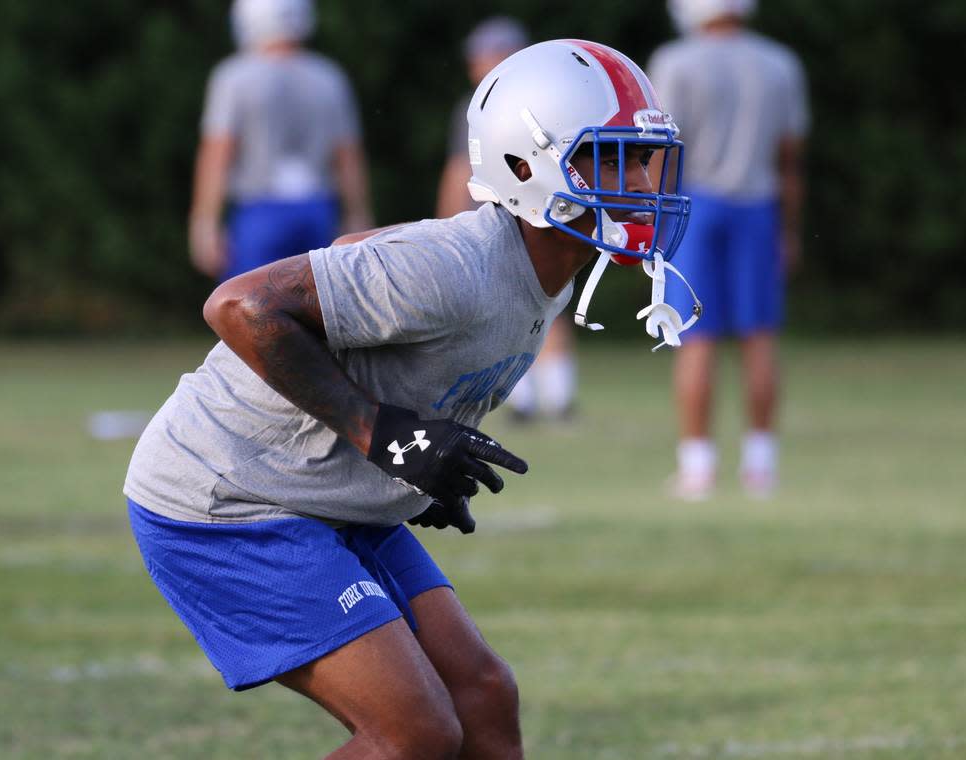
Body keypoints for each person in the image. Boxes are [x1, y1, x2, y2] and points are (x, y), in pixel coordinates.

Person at [125, 39, 693, 757]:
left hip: (327, 494)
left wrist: (410, 464)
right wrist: (387, 438)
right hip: (231, 496)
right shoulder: (463, 267)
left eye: (643, 158)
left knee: (484, 700)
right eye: (613, 158)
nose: (641, 181)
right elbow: (240, 306)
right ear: (526, 166)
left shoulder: (548, 261)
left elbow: (361, 248)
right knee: (415, 734)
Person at [648, 0, 808, 500]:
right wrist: (790, 228)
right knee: (760, 336)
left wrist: (652, 228)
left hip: (695, 206)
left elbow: (662, 150)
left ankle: (698, 467)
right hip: (758, 204)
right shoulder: (780, 62)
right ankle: (760, 466)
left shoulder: (676, 61)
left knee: (695, 338)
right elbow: (789, 158)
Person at [437, 16, 580, 424]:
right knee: (522, 304)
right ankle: (529, 396)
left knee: (541, 301)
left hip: (525, 215)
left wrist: (448, 218)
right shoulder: (540, 99)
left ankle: (551, 394)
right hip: (512, 214)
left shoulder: (486, 107)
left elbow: (457, 170)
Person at [188, 0, 373, 282]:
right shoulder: (329, 76)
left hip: (259, 212)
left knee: (250, 311)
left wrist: (205, 221)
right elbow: (347, 155)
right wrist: (358, 215)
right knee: (319, 313)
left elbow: (218, 152)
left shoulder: (234, 76)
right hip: (317, 209)